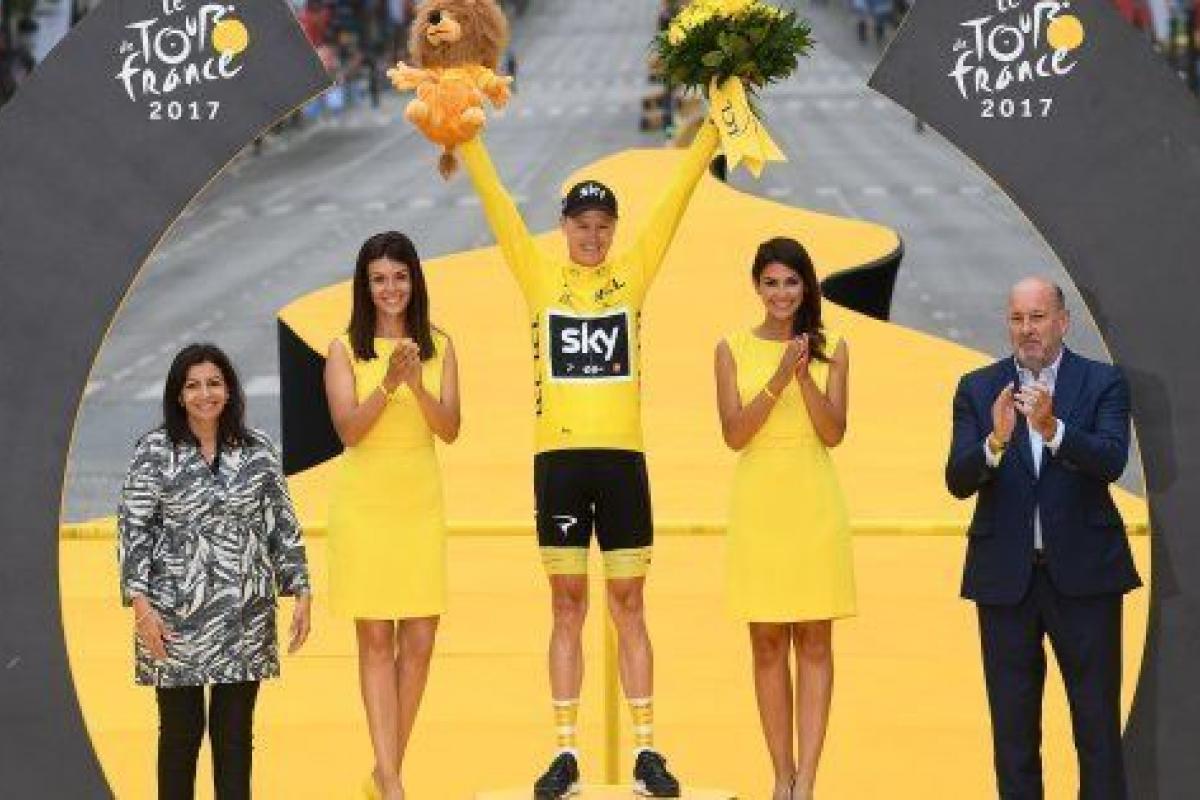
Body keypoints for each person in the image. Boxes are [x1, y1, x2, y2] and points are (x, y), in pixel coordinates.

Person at [459, 110, 721, 798]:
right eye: (582, 225)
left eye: (604, 226)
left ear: (615, 229)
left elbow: (676, 201)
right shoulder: (538, 275)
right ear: (564, 227)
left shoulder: (633, 272)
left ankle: (647, 751)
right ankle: (565, 752)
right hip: (560, 464)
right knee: (567, 604)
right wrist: (467, 139)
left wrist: (713, 130)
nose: (593, 236)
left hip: (623, 460)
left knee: (630, 602)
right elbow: (498, 209)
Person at [945, 277, 1141, 800]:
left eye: (1036, 317)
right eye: (1017, 319)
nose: (1026, 329)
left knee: (1097, 729)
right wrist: (995, 441)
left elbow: (1111, 459)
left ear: (1062, 321)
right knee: (1012, 735)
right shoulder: (978, 388)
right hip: (1005, 582)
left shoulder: (1102, 382)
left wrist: (1053, 428)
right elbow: (957, 480)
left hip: (1086, 579)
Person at [117, 344, 312, 800]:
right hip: (172, 615)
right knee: (180, 734)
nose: (205, 394)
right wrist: (142, 608)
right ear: (178, 394)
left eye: (214, 383)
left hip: (245, 613)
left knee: (235, 737)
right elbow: (133, 530)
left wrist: (301, 589)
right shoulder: (153, 451)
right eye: (193, 385)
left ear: (229, 389)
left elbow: (282, 524)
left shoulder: (258, 449)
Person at [714, 237, 855, 800]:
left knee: (815, 641)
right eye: (770, 283)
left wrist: (803, 378)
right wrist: (777, 378)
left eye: (791, 282)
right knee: (767, 642)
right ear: (756, 286)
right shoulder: (730, 349)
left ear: (806, 287)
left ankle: (807, 783)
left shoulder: (834, 348)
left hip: (813, 498)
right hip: (759, 503)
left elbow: (833, 432)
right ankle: (781, 776)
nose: (781, 293)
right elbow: (734, 434)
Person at [324, 231, 461, 800]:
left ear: (414, 281)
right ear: (365, 286)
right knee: (377, 639)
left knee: (421, 639)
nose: (390, 289)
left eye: (399, 277)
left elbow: (449, 428)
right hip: (366, 506)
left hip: (419, 502)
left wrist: (417, 387)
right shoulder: (343, 349)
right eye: (379, 279)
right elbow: (349, 431)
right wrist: (386, 384)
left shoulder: (440, 345)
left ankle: (383, 773)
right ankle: (394, 783)